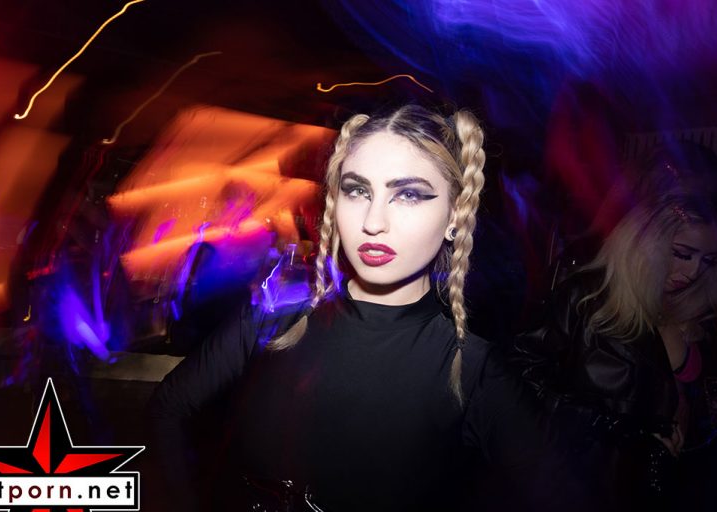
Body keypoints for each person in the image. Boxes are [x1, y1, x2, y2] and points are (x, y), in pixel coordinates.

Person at [148, 105, 577, 511]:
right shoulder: (273, 318)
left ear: (454, 215)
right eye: (357, 190)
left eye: (408, 195)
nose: (373, 222)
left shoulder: (473, 371)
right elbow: (168, 406)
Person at [513, 147, 717, 510]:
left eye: (708, 260)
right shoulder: (588, 297)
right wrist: (618, 429)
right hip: (588, 488)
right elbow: (518, 381)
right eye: (682, 254)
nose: (693, 272)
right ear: (649, 239)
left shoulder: (706, 315)